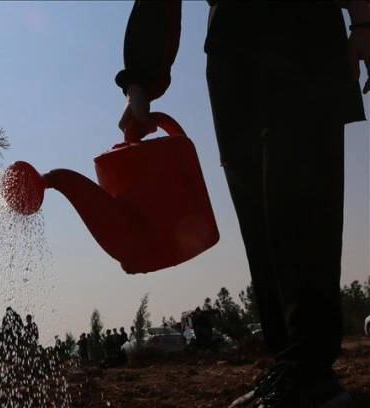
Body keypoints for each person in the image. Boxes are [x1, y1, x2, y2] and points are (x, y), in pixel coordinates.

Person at [117, 1, 369, 407]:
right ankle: (292, 366)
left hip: (301, 32)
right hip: (231, 53)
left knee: (299, 204)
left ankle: (312, 376)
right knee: (259, 220)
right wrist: (140, 82)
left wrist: (363, 21)